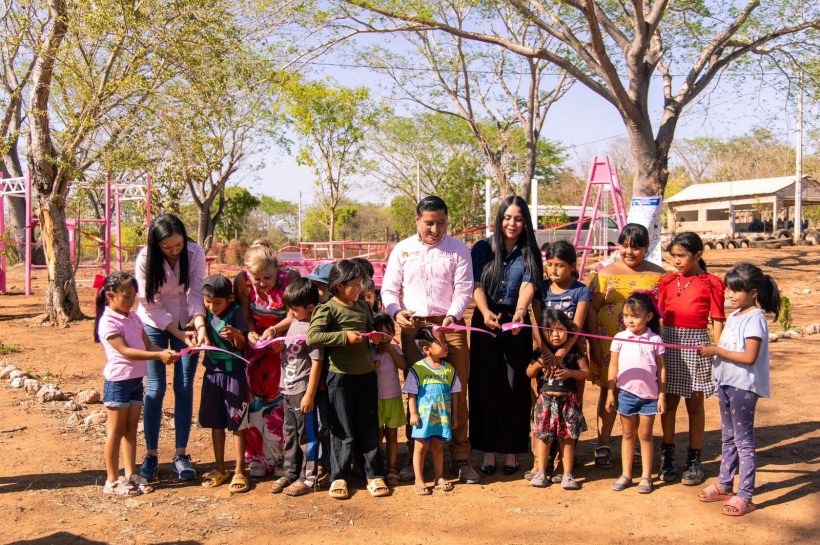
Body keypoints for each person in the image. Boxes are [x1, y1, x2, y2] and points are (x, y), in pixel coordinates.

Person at [381, 196, 477, 484]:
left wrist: (452, 316)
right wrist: (395, 312)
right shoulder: (402, 250)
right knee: (417, 392)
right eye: (429, 223)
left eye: (441, 223)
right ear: (417, 220)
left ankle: (461, 459)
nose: (436, 230)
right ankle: (417, 459)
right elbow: (389, 290)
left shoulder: (458, 250)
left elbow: (464, 289)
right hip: (414, 330)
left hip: (451, 328)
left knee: (457, 390)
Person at [697, 263, 780, 516]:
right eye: (728, 290)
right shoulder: (734, 316)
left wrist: (716, 350)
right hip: (726, 383)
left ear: (753, 293)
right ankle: (724, 485)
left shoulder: (755, 319)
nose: (730, 295)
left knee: (743, 441)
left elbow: (749, 357)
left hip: (743, 387)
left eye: (736, 290)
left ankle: (745, 495)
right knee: (728, 437)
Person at [469, 195, 542, 476]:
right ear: (500, 219)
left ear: (525, 222)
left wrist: (520, 311)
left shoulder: (529, 251)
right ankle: (487, 450)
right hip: (485, 320)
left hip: (516, 321)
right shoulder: (482, 248)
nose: (512, 224)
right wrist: (485, 311)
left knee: (515, 385)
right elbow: (476, 284)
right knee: (484, 385)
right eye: (508, 218)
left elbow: (528, 284)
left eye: (519, 219)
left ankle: (511, 451)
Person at [307, 260, 389, 499]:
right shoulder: (327, 309)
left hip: (366, 375)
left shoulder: (363, 307)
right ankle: (339, 476)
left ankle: (374, 475)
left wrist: (375, 339)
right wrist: (344, 337)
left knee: (369, 428)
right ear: (340, 285)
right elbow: (313, 337)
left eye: (361, 283)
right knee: (341, 429)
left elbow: (369, 331)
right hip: (340, 377)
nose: (360, 288)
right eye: (355, 284)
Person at [586, 223, 665, 469]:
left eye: (636, 247)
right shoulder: (604, 275)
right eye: (624, 246)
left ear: (647, 248)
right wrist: (594, 343)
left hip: (645, 351)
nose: (629, 252)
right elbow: (592, 309)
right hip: (611, 348)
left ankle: (638, 445)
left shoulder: (659, 276)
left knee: (642, 392)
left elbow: (662, 313)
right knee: (609, 391)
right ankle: (603, 444)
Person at [135, 214, 206, 481]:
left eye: (178, 245)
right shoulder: (145, 259)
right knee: (155, 388)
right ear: (156, 245)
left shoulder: (195, 252)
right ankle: (151, 454)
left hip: (186, 319)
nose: (174, 251)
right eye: (167, 247)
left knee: (185, 386)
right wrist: (175, 331)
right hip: (153, 322)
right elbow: (149, 302)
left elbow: (195, 292)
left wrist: (200, 326)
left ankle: (181, 454)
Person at [95, 272, 178, 496]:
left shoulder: (134, 318)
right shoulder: (108, 322)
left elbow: (147, 345)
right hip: (118, 383)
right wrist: (158, 356)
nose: (131, 301)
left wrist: (166, 352)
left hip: (135, 381)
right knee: (115, 432)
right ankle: (112, 480)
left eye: (133, 296)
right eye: (126, 296)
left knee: (131, 430)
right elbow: (126, 351)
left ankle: (131, 474)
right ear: (110, 296)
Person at [658, 232, 726, 486]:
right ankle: (667, 457)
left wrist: (717, 349)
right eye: (673, 255)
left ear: (698, 255)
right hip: (669, 344)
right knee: (669, 402)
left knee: (695, 404)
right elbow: (660, 317)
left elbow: (717, 319)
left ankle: (694, 460)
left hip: (697, 346)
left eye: (682, 255)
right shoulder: (666, 282)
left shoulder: (711, 283)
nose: (676, 261)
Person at [233, 245, 299, 477]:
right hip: (256, 350)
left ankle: (280, 457)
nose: (262, 283)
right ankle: (257, 458)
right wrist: (251, 333)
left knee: (278, 405)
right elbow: (245, 314)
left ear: (277, 269)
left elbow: (294, 314)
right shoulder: (242, 281)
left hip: (281, 345)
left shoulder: (290, 278)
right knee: (255, 403)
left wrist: (276, 331)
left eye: (267, 277)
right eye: (257, 278)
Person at [269, 277, 329, 496]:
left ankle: (309, 477)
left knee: (307, 436)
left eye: (294, 309)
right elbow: (291, 346)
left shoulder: (313, 329)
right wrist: (276, 339)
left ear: (310, 308)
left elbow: (317, 362)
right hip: (287, 387)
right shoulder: (295, 321)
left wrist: (309, 395)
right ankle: (291, 472)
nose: (291, 313)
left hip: (303, 390)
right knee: (290, 433)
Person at [537, 240, 592, 480]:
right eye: (550, 264)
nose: (553, 270)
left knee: (572, 406)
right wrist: (546, 353)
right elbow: (536, 323)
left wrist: (562, 352)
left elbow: (577, 327)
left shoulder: (580, 291)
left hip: (572, 356)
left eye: (559, 265)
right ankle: (545, 460)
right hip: (545, 357)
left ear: (572, 266)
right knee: (544, 404)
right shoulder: (541, 289)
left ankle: (564, 461)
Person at [606, 292, 667, 494]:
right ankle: (626, 474)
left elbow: (661, 369)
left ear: (648, 317)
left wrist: (661, 395)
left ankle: (646, 476)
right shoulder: (619, 338)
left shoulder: (655, 339)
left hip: (649, 397)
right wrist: (611, 392)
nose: (629, 320)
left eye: (635, 316)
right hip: (626, 394)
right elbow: (613, 366)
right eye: (626, 315)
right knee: (627, 434)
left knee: (645, 435)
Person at [195, 275, 251, 494]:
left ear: (229, 299)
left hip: (234, 374)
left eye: (217, 303)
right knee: (216, 422)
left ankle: (239, 470)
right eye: (208, 302)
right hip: (212, 374)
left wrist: (236, 334)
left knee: (238, 423)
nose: (212, 307)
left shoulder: (236, 312)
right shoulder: (204, 313)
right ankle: (220, 468)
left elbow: (242, 344)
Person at [527, 309, 588, 490]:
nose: (555, 334)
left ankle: (567, 474)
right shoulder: (540, 352)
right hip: (545, 402)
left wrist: (570, 373)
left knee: (567, 438)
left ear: (568, 330)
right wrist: (540, 363)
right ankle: (541, 472)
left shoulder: (573, 352)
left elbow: (585, 372)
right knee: (543, 437)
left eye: (560, 329)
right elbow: (529, 372)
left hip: (567, 402)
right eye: (549, 330)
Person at [404, 327, 461, 495]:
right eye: (440, 342)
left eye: (445, 341)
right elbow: (411, 393)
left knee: (438, 446)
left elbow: (455, 394)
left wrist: (454, 415)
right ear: (426, 349)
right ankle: (419, 480)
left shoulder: (449, 369)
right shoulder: (417, 369)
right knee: (420, 448)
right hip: (423, 418)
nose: (445, 344)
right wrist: (413, 413)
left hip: (442, 418)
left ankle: (439, 477)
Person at [371, 312, 407, 485]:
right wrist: (372, 365)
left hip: (393, 398)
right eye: (380, 334)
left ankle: (392, 468)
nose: (384, 338)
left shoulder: (395, 349)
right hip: (375, 400)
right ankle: (377, 468)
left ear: (393, 333)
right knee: (377, 435)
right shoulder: (368, 352)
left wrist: (391, 350)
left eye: (388, 333)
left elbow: (403, 365)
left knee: (392, 435)